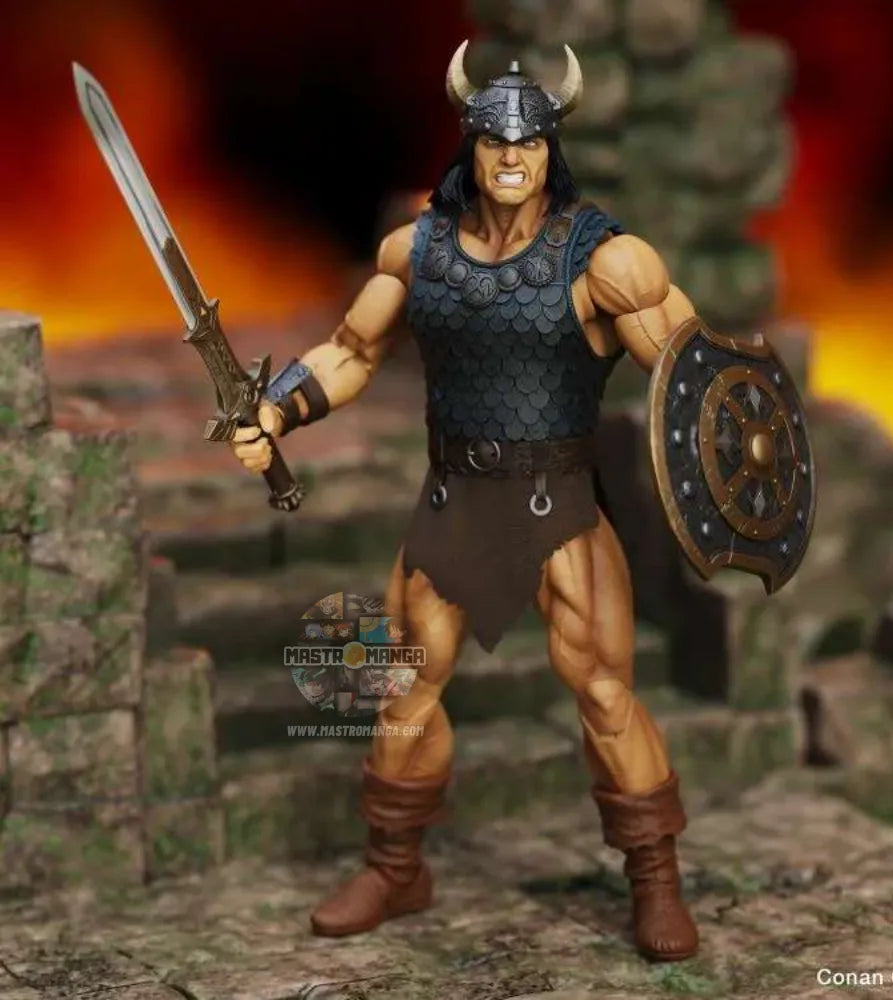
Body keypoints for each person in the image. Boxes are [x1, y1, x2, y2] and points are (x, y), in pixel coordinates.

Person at [231, 41, 701, 962]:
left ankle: (656, 878)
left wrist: (737, 453)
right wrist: (277, 409)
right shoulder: (419, 250)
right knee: (404, 686)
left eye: (529, 142)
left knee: (605, 691)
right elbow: (351, 351)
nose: (512, 156)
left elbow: (695, 377)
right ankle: (395, 868)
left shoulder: (606, 261)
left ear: (550, 149)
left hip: (559, 503)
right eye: (495, 141)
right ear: (472, 148)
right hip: (454, 499)